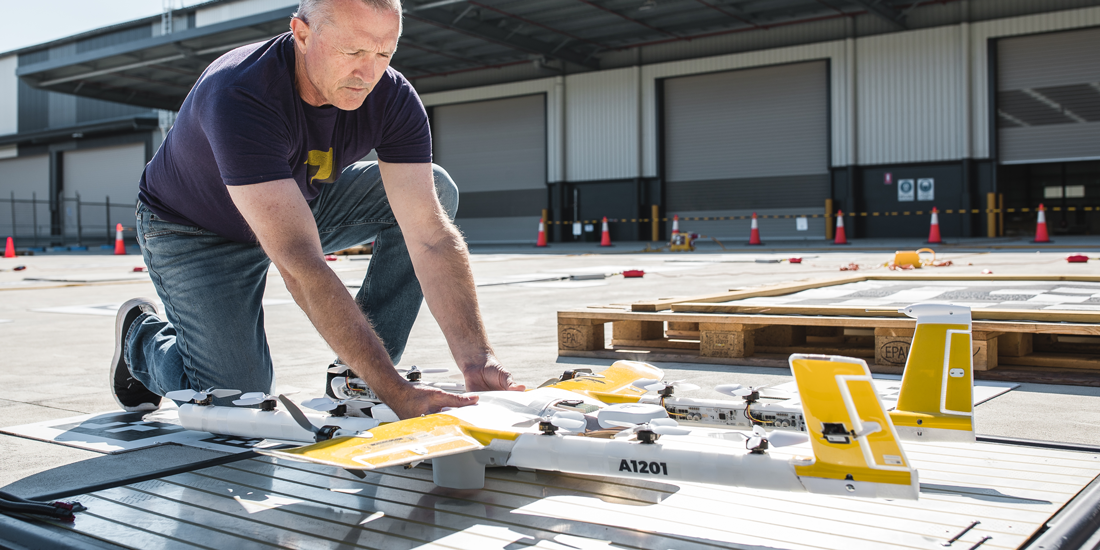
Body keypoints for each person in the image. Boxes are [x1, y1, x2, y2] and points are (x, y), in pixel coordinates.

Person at [110, 0, 524, 419]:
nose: (369, 73)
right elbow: (300, 264)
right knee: (237, 401)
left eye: (384, 53)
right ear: (302, 34)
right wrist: (396, 393)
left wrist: (477, 360)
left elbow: (431, 239)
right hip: (195, 230)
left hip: (298, 199)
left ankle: (356, 375)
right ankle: (141, 340)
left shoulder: (393, 98)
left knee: (434, 189)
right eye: (353, 52)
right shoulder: (240, 93)